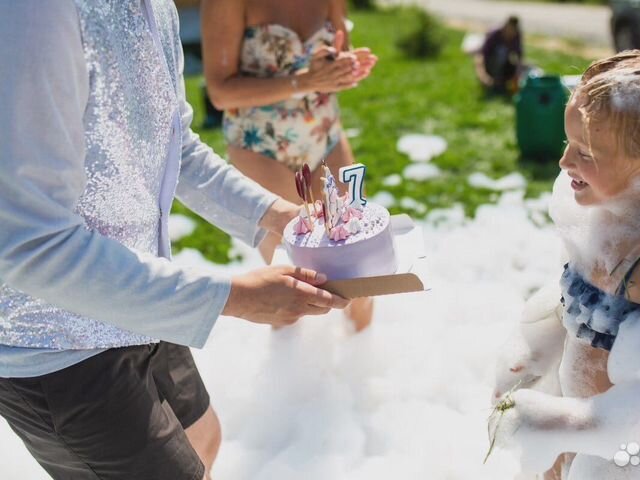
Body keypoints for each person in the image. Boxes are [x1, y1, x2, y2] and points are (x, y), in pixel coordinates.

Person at [0, 2, 349, 480]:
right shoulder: (34, 13)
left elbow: (175, 147)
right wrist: (234, 297)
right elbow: (28, 243)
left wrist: (278, 215)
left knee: (203, 437)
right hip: (54, 340)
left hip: (140, 296)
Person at [490, 52, 640, 479]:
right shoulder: (600, 217)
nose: (564, 163)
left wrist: (560, 425)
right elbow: (571, 306)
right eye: (567, 144)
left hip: (633, 459)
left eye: (586, 152)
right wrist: (532, 356)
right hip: (577, 435)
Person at [202, 0, 378, 331]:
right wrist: (304, 81)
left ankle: (365, 370)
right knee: (293, 282)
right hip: (260, 145)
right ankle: (291, 377)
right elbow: (221, 92)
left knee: (359, 270)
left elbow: (339, 50)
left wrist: (342, 67)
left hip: (324, 134)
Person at [475, 16, 523, 95]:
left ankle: (503, 83)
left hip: (504, 65)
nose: (510, 33)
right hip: (490, 64)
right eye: (509, 29)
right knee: (501, 54)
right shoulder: (495, 34)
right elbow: (480, 56)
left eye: (513, 31)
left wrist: (518, 73)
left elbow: (520, 58)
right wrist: (483, 76)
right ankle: (494, 83)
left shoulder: (516, 36)